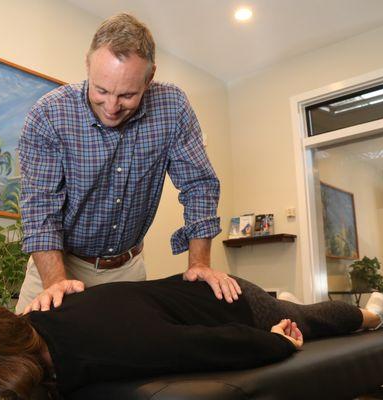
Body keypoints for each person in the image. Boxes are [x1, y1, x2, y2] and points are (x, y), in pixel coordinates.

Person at [16, 12, 241, 314]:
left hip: (127, 270)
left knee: (127, 358)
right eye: (101, 90)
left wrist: (199, 263)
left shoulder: (172, 107)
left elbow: (198, 185)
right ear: (88, 65)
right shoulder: (48, 115)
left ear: (149, 78)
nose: (111, 107)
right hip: (57, 266)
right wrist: (56, 283)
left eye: (127, 95)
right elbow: (40, 208)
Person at [0, 275, 383, 400]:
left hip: (230, 301)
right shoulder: (35, 318)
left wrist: (280, 341)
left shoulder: (116, 347)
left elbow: (220, 343)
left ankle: (369, 312)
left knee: (308, 315)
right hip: (164, 300)